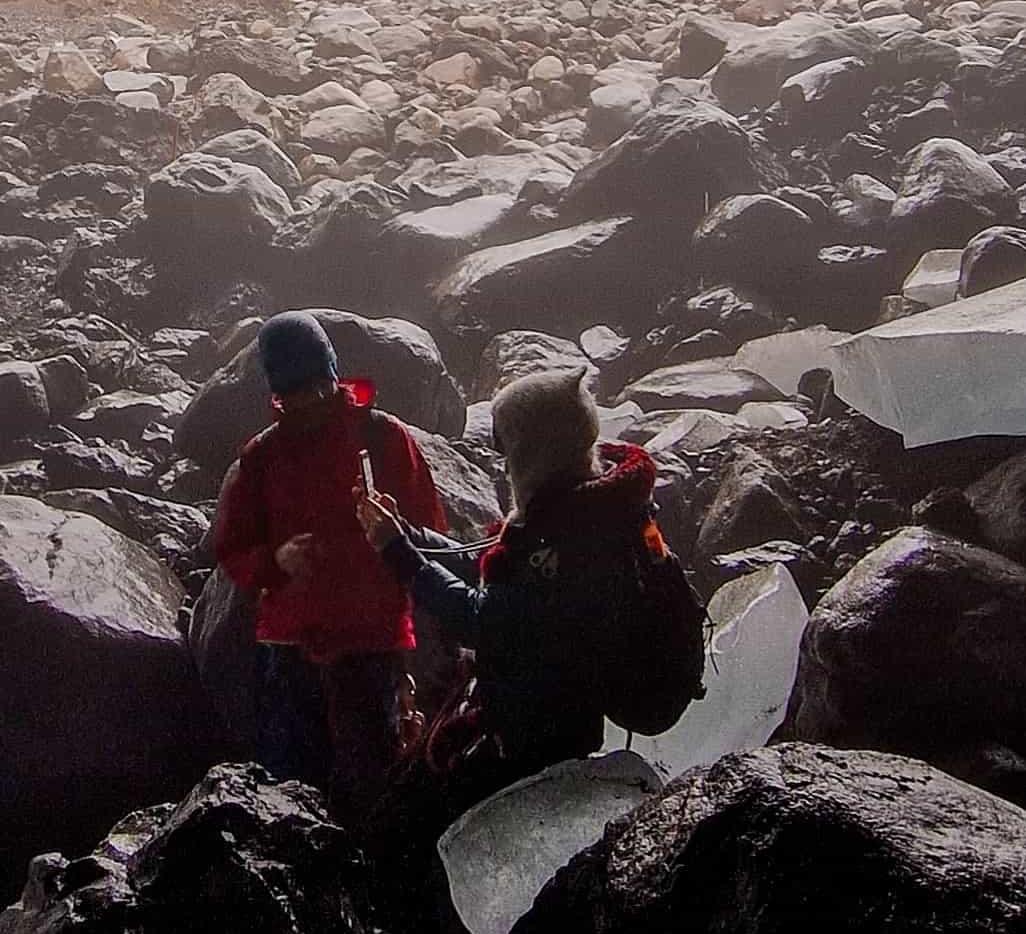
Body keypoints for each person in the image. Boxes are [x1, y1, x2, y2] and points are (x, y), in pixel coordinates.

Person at [356, 363, 704, 782]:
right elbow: (491, 568)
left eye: (504, 445)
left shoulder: (571, 540)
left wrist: (399, 553)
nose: (502, 462)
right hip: (537, 718)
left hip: (539, 744)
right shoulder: (580, 505)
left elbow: (481, 619)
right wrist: (408, 534)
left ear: (533, 450)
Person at [208, 312, 450, 822]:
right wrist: (275, 561)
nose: (310, 402)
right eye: (294, 393)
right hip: (293, 648)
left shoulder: (384, 437)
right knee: (292, 793)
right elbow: (232, 547)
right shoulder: (261, 457)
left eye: (319, 388)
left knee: (375, 792)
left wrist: (393, 531)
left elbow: (434, 534)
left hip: (373, 644)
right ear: (277, 393)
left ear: (334, 376)